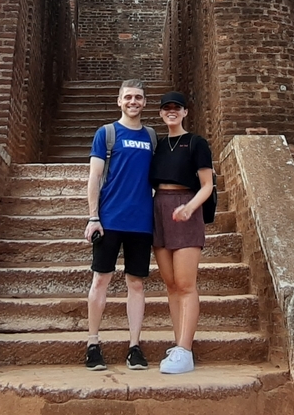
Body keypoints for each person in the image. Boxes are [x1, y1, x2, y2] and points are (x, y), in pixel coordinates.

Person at [81, 79, 155, 371]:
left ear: (144, 102)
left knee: (136, 284)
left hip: (141, 223)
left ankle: (134, 346)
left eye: (138, 97)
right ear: (119, 101)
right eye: (128, 97)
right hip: (109, 219)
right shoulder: (107, 133)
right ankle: (93, 343)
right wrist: (93, 216)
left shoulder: (151, 136)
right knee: (100, 280)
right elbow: (95, 177)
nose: (133, 102)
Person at [149, 91, 214, 375]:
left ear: (185, 112)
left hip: (186, 206)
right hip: (159, 209)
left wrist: (190, 207)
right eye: (167, 108)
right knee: (171, 285)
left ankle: (186, 350)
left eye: (177, 108)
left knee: (186, 284)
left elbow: (207, 184)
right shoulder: (159, 145)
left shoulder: (196, 143)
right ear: (162, 114)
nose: (172, 111)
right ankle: (179, 345)